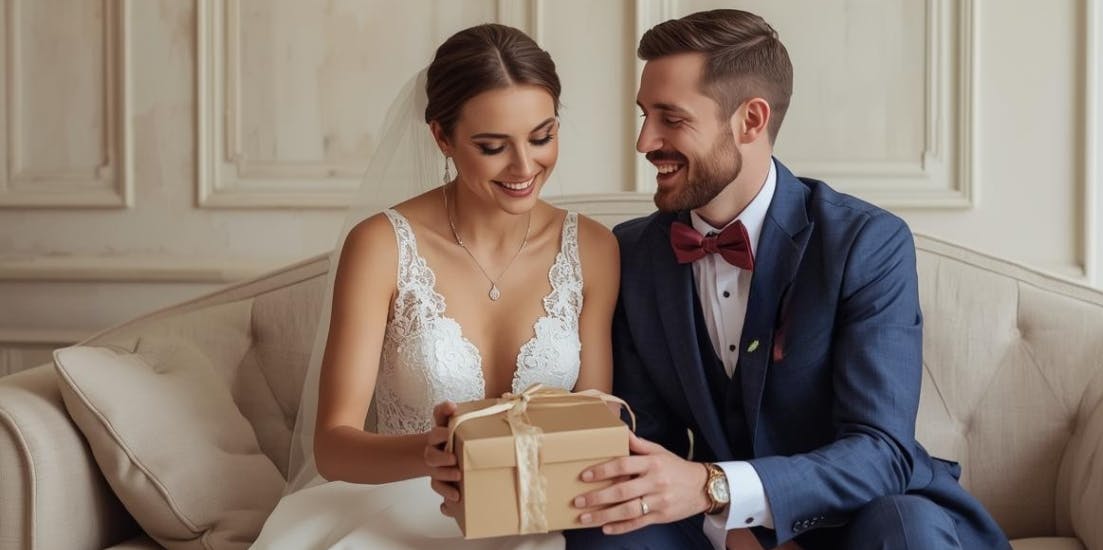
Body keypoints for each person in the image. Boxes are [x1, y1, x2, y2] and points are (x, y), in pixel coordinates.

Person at [564, 9, 1011, 550]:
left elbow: (881, 449)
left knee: (907, 532)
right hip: (714, 527)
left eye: (670, 118)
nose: (643, 142)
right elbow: (643, 446)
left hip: (864, 519)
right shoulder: (632, 253)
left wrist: (718, 488)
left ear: (751, 120)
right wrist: (726, 526)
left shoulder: (867, 243)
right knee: (610, 535)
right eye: (643, 115)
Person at [254, 23, 619, 549]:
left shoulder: (594, 248)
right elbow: (334, 447)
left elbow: (595, 411)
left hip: (538, 511)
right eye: (493, 146)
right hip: (398, 503)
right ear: (442, 137)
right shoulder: (381, 245)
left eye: (542, 137)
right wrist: (434, 453)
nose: (524, 167)